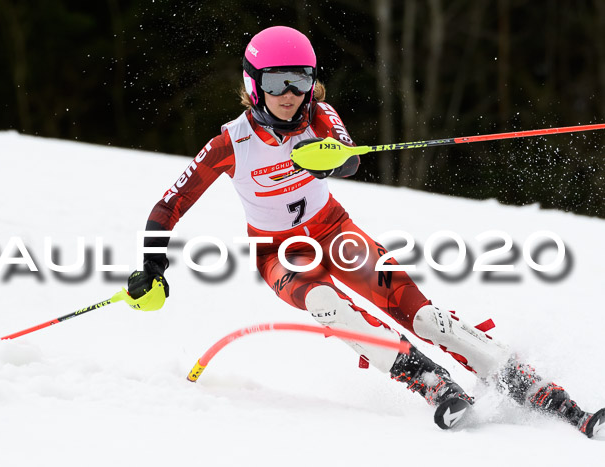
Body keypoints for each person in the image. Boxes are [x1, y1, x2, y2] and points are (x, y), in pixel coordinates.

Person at [124, 26, 603, 435]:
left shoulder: (318, 117)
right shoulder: (232, 142)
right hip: (279, 253)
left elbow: (348, 156)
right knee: (329, 307)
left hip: (334, 231)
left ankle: (533, 385)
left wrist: (330, 159)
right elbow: (170, 203)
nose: (291, 94)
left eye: (301, 80)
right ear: (253, 85)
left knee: (423, 317)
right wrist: (153, 262)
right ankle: (432, 383)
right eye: (277, 81)